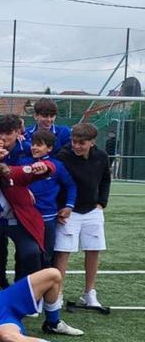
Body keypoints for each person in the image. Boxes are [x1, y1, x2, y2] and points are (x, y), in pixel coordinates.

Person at [0, 156, 54, 295]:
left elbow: (44, 168)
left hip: (16, 220)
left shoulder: (12, 175)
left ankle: (27, 294)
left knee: (31, 252)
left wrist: (45, 167)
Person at [54, 123, 111, 308]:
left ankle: (89, 293)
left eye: (82, 143)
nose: (76, 146)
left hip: (93, 211)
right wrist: (60, 208)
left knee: (93, 250)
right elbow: (56, 183)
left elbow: (105, 179)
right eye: (74, 141)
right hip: (68, 213)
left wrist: (101, 202)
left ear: (92, 142)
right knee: (63, 253)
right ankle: (58, 293)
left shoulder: (101, 157)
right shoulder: (62, 156)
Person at [20, 130, 77, 267]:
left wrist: (69, 206)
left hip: (48, 218)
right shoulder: (23, 162)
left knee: (46, 255)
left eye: (39, 145)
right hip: (26, 218)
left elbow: (71, 186)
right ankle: (23, 285)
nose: (34, 147)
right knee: (26, 254)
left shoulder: (57, 165)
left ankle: (45, 286)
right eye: (33, 144)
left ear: (50, 148)